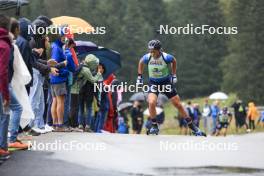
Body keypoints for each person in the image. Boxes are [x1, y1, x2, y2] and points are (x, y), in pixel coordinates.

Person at [137, 39, 206, 136]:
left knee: (177, 104)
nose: (151, 52)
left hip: (166, 83)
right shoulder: (148, 57)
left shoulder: (166, 57)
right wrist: (139, 77)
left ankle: (192, 126)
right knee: (151, 102)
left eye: (153, 51)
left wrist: (174, 75)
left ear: (159, 50)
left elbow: (174, 60)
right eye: (150, 50)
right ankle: (154, 126)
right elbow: (140, 62)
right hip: (154, 83)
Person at [70, 54, 103, 131]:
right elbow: (93, 80)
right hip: (84, 92)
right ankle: (86, 125)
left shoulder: (81, 66)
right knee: (88, 108)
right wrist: (99, 73)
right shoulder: (87, 70)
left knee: (80, 108)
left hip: (78, 91)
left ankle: (80, 124)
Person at [0, 14, 11, 158]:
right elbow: (2, 72)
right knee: (4, 115)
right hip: (1, 87)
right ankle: (2, 147)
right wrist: (6, 95)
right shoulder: (5, 46)